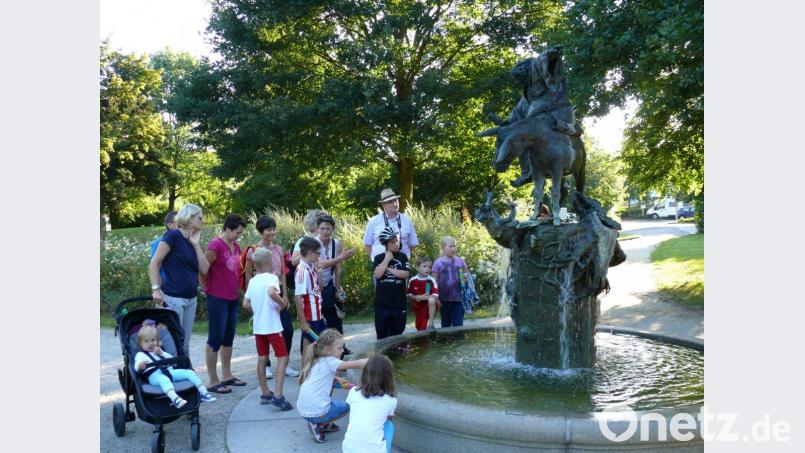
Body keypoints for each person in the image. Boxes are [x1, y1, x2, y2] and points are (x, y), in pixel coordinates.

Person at [243, 215, 300, 379]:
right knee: (264, 330)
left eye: (274, 229)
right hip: (261, 292)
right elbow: (248, 274)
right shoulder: (253, 250)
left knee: (287, 330)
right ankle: (266, 365)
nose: (272, 232)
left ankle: (284, 364)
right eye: (269, 230)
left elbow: (282, 273)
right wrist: (251, 296)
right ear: (261, 232)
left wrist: (285, 295)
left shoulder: (278, 249)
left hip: (277, 289)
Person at [149, 204, 210, 355]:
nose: (202, 221)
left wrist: (196, 245)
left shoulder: (192, 241)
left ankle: (183, 368)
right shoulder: (173, 236)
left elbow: (204, 269)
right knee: (170, 343)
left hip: (191, 299)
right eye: (200, 217)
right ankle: (170, 369)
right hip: (172, 299)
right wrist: (156, 290)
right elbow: (154, 263)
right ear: (189, 218)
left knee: (184, 344)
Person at [201, 213, 247, 394]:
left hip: (232, 297)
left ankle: (227, 375)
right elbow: (202, 268)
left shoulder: (235, 245)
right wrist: (206, 287)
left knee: (228, 337)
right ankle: (213, 381)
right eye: (237, 232)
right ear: (228, 228)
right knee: (215, 338)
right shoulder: (215, 246)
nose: (238, 236)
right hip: (217, 298)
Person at [296, 329, 369, 443]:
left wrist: (353, 386)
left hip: (303, 410)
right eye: (339, 348)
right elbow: (355, 364)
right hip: (317, 412)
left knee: (333, 396)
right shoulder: (330, 361)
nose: (343, 350)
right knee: (347, 407)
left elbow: (335, 382)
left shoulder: (316, 361)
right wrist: (374, 361)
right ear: (327, 350)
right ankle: (320, 425)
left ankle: (320, 422)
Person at [243, 247, 293, 410]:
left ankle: (265, 392)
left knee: (262, 358)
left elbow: (245, 304)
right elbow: (272, 292)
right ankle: (278, 395)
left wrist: (258, 311)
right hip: (273, 327)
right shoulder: (272, 278)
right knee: (283, 357)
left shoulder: (253, 281)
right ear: (269, 263)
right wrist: (282, 304)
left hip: (259, 328)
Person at [134, 323, 216, 408]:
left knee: (189, 373)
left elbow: (171, 359)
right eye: (146, 341)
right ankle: (175, 399)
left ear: (157, 341)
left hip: (169, 371)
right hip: (154, 376)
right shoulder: (140, 355)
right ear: (140, 344)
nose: (150, 343)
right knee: (164, 379)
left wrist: (161, 353)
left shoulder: (160, 351)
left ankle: (203, 392)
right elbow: (136, 367)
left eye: (153, 340)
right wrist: (140, 365)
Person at [342, 355, 398, 453]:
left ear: (365, 373)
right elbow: (388, 418)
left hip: (347, 449)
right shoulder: (391, 400)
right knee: (389, 425)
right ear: (389, 377)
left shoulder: (353, 391)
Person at [314, 214, 356, 337]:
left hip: (329, 284)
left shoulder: (336, 243)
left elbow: (338, 268)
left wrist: (337, 289)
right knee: (316, 320)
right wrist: (342, 257)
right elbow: (320, 264)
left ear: (333, 229)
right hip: (314, 285)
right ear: (317, 229)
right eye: (322, 228)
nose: (325, 232)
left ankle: (339, 344)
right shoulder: (313, 243)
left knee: (335, 318)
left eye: (328, 228)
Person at [373, 226, 411, 340]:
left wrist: (388, 269)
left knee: (398, 336)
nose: (396, 244)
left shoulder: (403, 257)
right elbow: (378, 275)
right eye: (392, 242)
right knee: (382, 336)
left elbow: (405, 274)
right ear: (385, 244)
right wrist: (386, 260)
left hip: (399, 304)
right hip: (382, 304)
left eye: (397, 241)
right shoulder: (378, 258)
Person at [363, 188, 419, 263]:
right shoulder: (373, 221)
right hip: (380, 265)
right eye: (390, 202)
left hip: (401, 265)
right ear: (383, 205)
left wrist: (403, 255)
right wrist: (374, 261)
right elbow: (367, 245)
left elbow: (413, 244)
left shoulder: (407, 221)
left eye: (396, 200)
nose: (395, 204)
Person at [295, 237, 326, 355]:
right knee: (321, 348)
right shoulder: (302, 271)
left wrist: (319, 273)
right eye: (318, 253)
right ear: (310, 252)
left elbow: (319, 288)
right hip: (310, 317)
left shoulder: (311, 267)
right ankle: (308, 366)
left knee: (308, 346)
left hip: (317, 315)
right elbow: (298, 298)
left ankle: (306, 367)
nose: (319, 256)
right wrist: (303, 322)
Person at [431, 236, 470, 328]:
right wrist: (436, 298)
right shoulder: (438, 263)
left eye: (454, 246)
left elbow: (467, 276)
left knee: (458, 325)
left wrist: (466, 278)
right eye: (450, 246)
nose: (453, 248)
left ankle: (458, 338)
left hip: (459, 299)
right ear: (443, 247)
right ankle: (446, 338)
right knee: (445, 325)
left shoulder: (460, 261)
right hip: (443, 299)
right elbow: (433, 282)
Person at [406, 257, 440, 331]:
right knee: (420, 326)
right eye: (424, 266)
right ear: (417, 268)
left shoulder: (431, 280)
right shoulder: (413, 280)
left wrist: (420, 297)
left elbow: (435, 296)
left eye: (429, 267)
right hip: (418, 306)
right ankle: (422, 334)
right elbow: (409, 294)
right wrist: (416, 297)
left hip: (430, 305)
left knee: (431, 300)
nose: (427, 269)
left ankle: (431, 324)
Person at [149, 210, 178, 284]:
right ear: (169, 225)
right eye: (178, 222)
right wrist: (157, 287)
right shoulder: (159, 242)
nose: (182, 225)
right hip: (167, 284)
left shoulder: (184, 241)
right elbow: (155, 266)